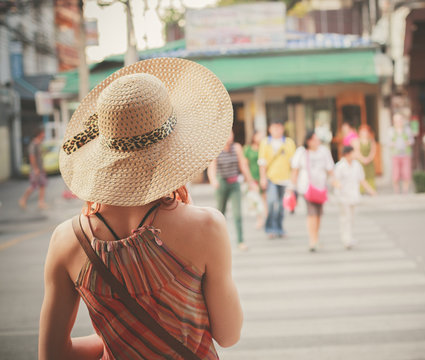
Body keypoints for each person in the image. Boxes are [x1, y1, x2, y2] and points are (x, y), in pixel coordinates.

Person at [39, 58, 243, 359]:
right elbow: (228, 334)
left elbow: (53, 354)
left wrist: (115, 344)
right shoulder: (207, 227)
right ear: (175, 146)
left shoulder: (66, 240)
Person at [208, 131, 258, 251]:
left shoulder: (237, 148)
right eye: (227, 134)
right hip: (222, 183)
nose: (229, 136)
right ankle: (215, 241)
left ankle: (240, 241)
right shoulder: (216, 148)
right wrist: (213, 180)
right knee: (220, 214)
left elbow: (243, 166)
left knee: (237, 214)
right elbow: (212, 167)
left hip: (234, 183)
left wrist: (250, 181)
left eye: (231, 134)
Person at [291, 131, 334, 252]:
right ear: (308, 141)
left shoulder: (324, 151)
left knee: (319, 214)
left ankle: (316, 237)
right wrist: (291, 188)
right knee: (312, 213)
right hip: (306, 188)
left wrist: (335, 182)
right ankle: (312, 240)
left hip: (321, 187)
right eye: (314, 140)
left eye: (318, 139)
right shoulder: (301, 152)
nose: (317, 142)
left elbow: (330, 168)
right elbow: (295, 171)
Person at [258, 120, 296, 238]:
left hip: (285, 178)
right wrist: (263, 178)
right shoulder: (265, 143)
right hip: (271, 178)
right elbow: (262, 162)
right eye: (274, 127)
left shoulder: (289, 142)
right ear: (270, 129)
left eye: (279, 128)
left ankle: (279, 228)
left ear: (282, 129)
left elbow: (293, 164)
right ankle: (270, 227)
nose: (277, 130)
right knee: (271, 202)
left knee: (281, 205)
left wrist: (293, 181)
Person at [333, 146, 376, 250]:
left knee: (351, 218)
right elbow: (334, 180)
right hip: (343, 196)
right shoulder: (340, 166)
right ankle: (346, 239)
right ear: (347, 154)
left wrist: (371, 190)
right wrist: (338, 185)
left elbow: (362, 180)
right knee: (345, 218)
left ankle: (349, 237)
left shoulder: (357, 165)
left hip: (353, 196)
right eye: (353, 153)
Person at [19, 128, 48, 209]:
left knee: (42, 185)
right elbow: (32, 157)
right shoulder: (33, 144)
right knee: (33, 186)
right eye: (43, 133)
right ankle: (23, 199)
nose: (44, 135)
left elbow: (39, 157)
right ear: (39, 134)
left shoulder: (38, 143)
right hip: (36, 170)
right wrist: (35, 169)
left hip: (40, 169)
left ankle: (41, 203)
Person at [388, 112, 415, 194]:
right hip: (395, 154)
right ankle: (396, 191)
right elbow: (388, 142)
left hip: (406, 154)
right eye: (396, 120)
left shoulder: (407, 129)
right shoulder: (391, 130)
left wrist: (408, 142)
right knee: (395, 174)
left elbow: (412, 140)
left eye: (400, 120)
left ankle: (405, 191)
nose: (398, 122)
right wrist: (392, 143)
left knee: (406, 173)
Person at [244, 130, 266, 229]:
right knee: (256, 200)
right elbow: (245, 165)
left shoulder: (264, 148)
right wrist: (249, 179)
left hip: (263, 176)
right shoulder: (248, 149)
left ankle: (267, 219)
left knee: (265, 199)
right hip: (253, 177)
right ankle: (260, 219)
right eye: (259, 136)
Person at [358, 124, 377, 193]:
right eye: (362, 131)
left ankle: (371, 191)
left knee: (370, 176)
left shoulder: (371, 141)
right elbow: (357, 151)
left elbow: (373, 151)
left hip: (369, 161)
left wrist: (369, 159)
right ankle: (361, 191)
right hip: (361, 161)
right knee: (361, 175)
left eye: (365, 131)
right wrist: (362, 159)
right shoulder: (358, 141)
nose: (364, 133)